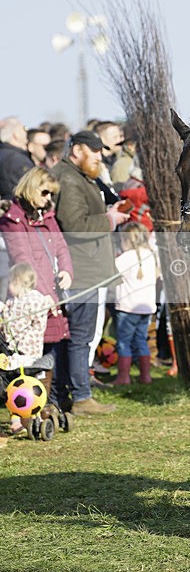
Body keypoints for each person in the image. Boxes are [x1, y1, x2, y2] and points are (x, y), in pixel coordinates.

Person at [52, 130, 130, 415]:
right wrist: (110, 219)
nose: (100, 156)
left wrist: (112, 210)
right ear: (77, 150)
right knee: (79, 336)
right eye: (95, 150)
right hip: (80, 269)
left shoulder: (77, 174)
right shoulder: (69, 178)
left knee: (74, 336)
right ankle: (81, 397)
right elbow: (75, 224)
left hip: (84, 267)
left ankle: (65, 394)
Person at [0, 167, 72, 407]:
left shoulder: (48, 215)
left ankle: (50, 400)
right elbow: (24, 259)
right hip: (31, 296)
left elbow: (61, 246)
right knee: (32, 354)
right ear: (31, 189)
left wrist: (66, 271)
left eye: (51, 194)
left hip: (52, 293)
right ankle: (31, 404)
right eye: (45, 193)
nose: (49, 199)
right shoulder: (13, 219)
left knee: (52, 351)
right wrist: (45, 296)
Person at [0, 263, 54, 433]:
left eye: (10, 283)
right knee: (14, 385)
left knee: (22, 384)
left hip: (26, 351)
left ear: (18, 282)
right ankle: (17, 419)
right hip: (14, 351)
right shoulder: (12, 301)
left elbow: (33, 322)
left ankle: (30, 416)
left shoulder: (35, 300)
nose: (8, 287)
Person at [113, 222, 158, 385]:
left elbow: (111, 272)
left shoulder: (126, 257)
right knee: (140, 340)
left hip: (127, 307)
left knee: (124, 342)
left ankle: (123, 377)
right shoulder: (151, 255)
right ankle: (146, 376)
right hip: (146, 308)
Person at [0, 117, 34, 200]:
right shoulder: (17, 160)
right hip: (17, 208)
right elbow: (31, 188)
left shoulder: (4, 154)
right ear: (16, 134)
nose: (26, 132)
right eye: (23, 129)